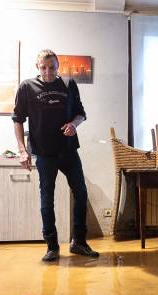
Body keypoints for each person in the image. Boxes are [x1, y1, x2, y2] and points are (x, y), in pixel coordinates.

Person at [12, 49, 99, 261]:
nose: (48, 72)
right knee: (46, 199)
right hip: (44, 153)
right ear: (37, 67)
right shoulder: (27, 87)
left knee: (80, 193)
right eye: (44, 68)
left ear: (58, 66)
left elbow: (81, 113)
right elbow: (17, 119)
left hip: (68, 150)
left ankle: (79, 242)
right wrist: (23, 151)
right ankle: (51, 246)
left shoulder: (69, 84)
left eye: (52, 67)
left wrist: (74, 124)